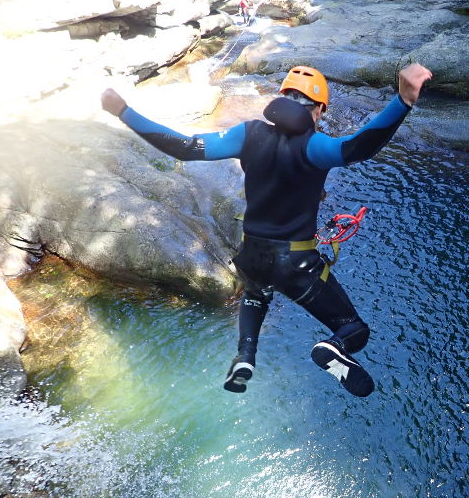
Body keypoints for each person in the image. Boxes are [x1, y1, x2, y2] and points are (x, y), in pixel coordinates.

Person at [100, 62, 432, 397]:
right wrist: (402, 100)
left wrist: (124, 112)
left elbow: (186, 147)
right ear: (318, 110)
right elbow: (360, 145)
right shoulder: (316, 147)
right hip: (295, 264)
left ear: (282, 98)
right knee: (354, 329)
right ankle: (333, 347)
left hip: (251, 255)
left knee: (256, 294)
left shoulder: (248, 134)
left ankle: (245, 356)